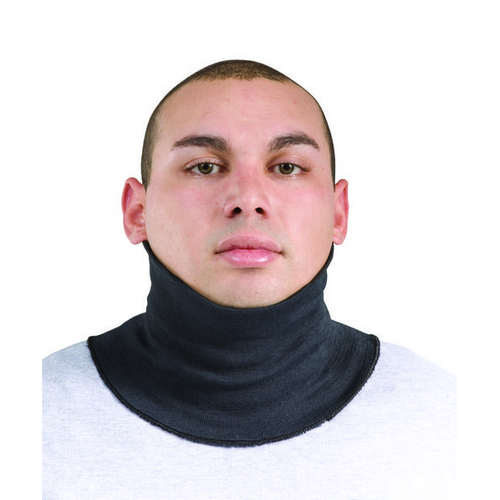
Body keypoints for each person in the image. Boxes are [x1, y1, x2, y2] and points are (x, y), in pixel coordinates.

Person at [43, 60, 456, 499]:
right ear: (136, 212)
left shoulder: (452, 419)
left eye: (287, 167)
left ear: (338, 213)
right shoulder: (32, 417)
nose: (248, 199)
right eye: (204, 166)